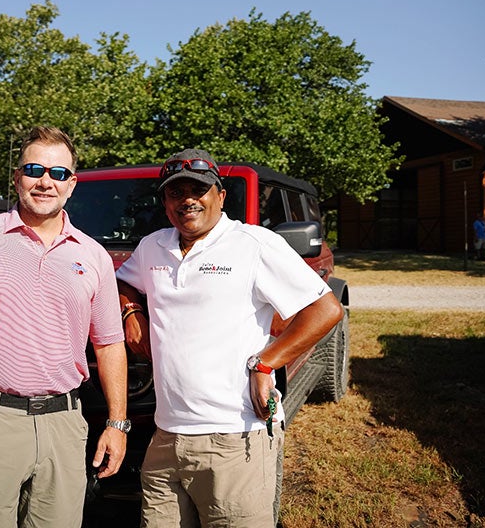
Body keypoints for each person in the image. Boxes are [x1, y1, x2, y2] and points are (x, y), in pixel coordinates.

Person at [116, 148, 343, 527]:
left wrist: (266, 362)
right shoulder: (152, 246)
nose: (187, 199)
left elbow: (325, 310)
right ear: (166, 202)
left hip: (235, 438)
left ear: (220, 196)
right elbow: (122, 282)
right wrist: (130, 309)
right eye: (176, 192)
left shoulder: (253, 244)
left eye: (198, 190)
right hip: (165, 436)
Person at [0, 126, 129, 527]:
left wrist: (117, 424)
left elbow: (109, 344)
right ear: (17, 177)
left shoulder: (94, 256)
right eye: (34, 169)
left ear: (72, 185)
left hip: (65, 424)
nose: (46, 181)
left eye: (59, 173)